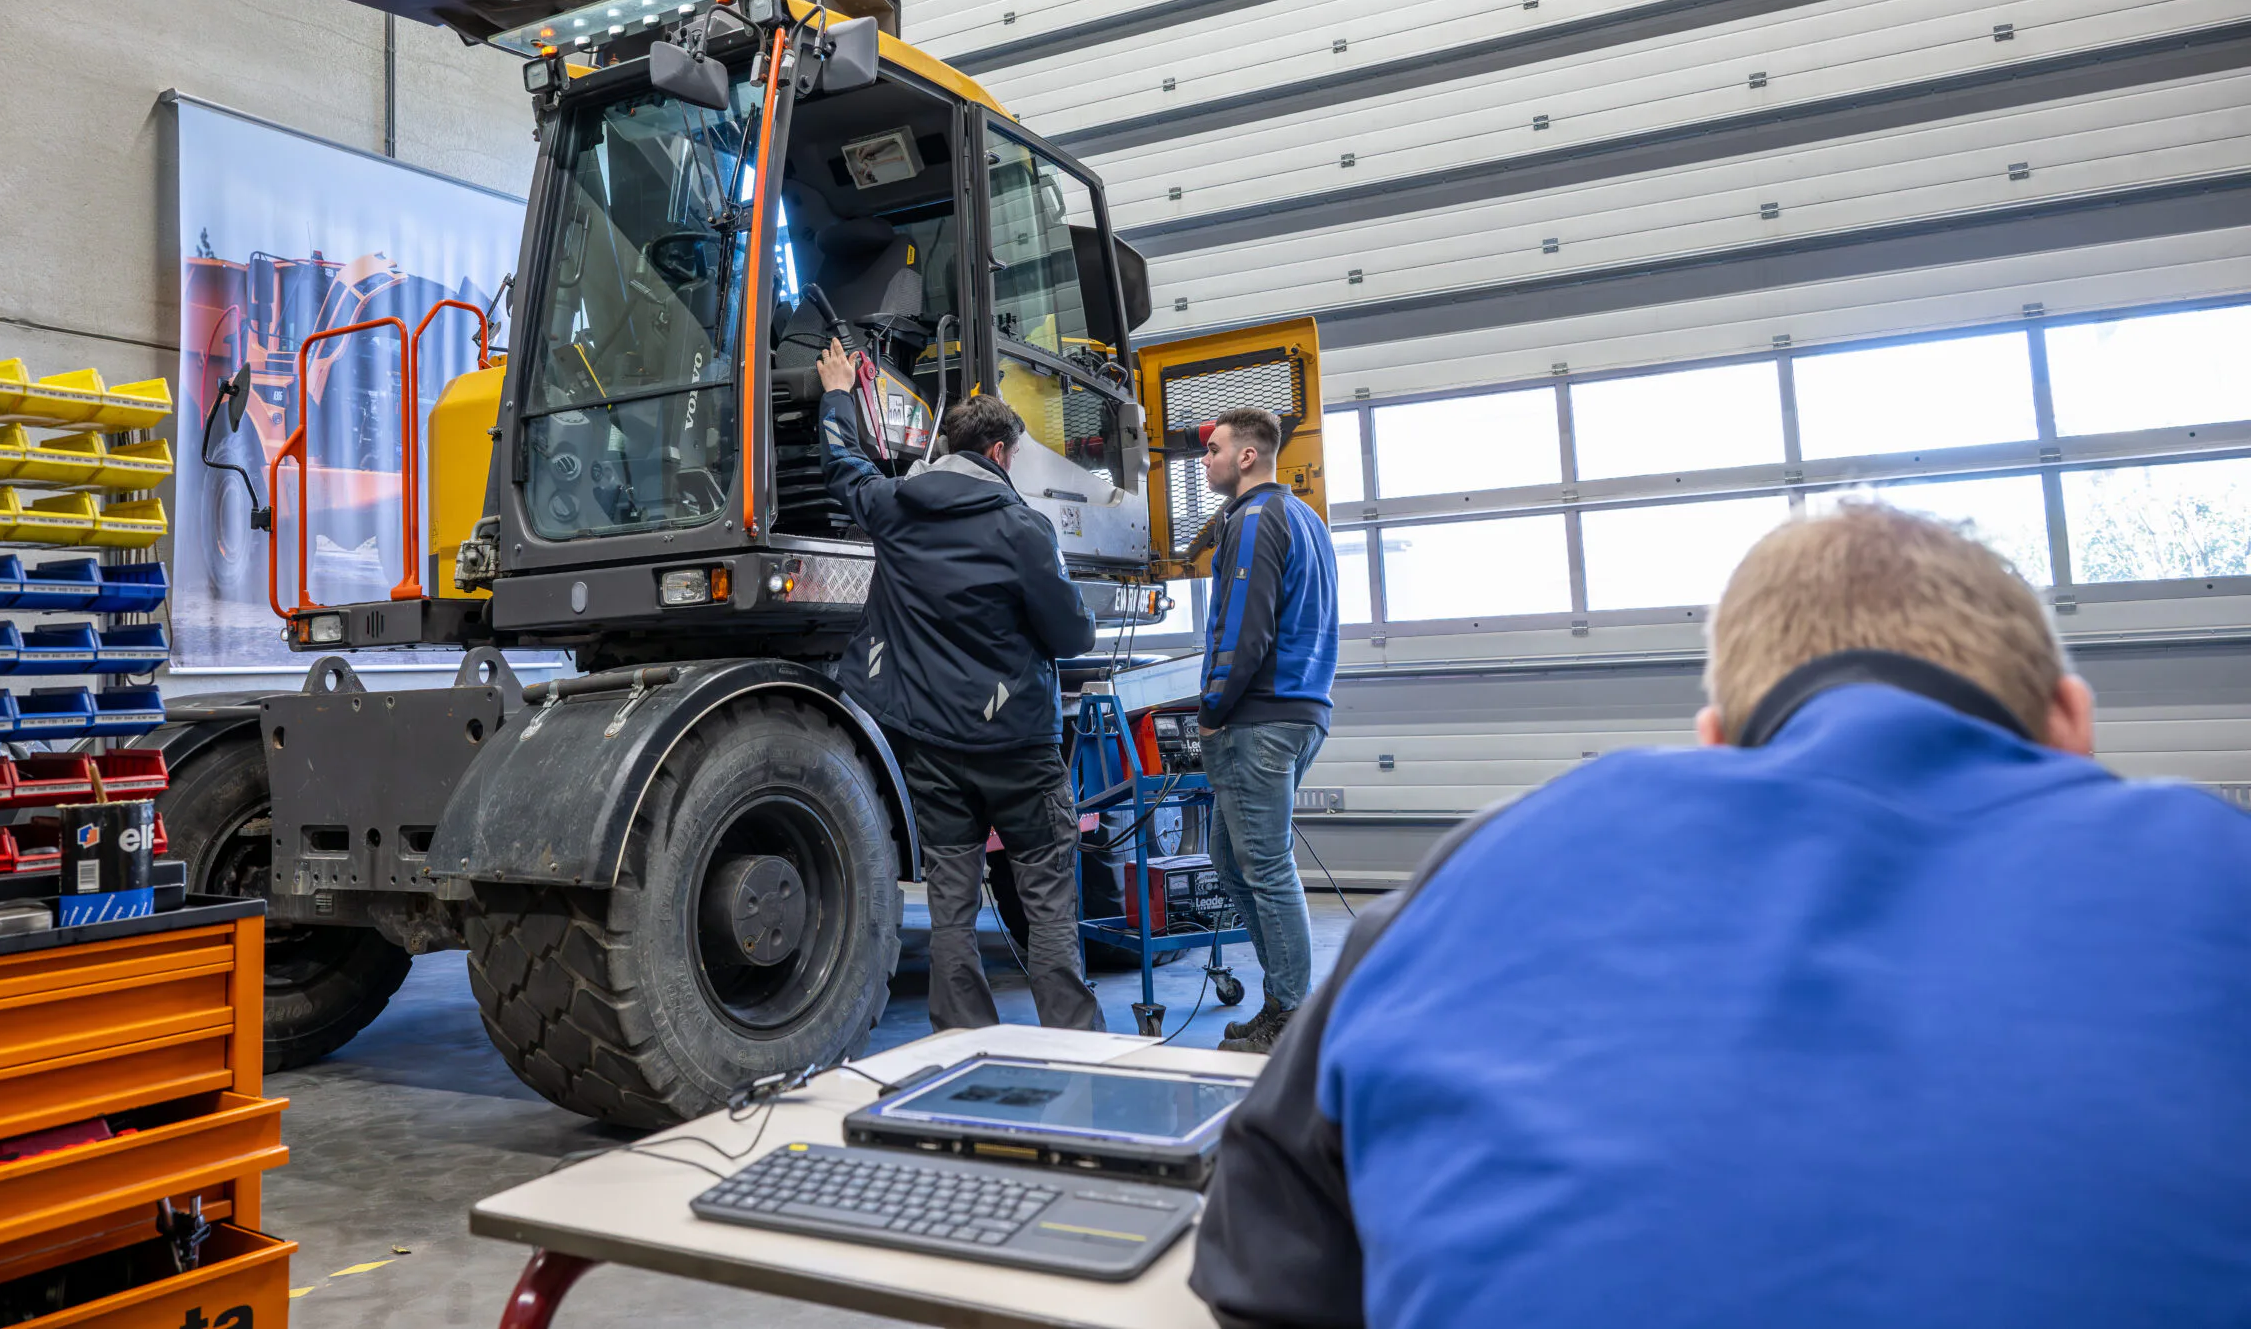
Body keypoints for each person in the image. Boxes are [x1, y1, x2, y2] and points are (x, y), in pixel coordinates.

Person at [1190, 502, 2251, 1329]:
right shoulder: (2218, 870)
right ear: (2072, 723)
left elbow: (1258, 1257)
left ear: (1716, 742)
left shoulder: (1496, 861)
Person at [816, 337, 1103, 1034]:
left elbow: (843, 468)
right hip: (1020, 751)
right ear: (1001, 453)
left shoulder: (895, 507)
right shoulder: (1022, 529)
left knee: (951, 906)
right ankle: (1072, 1043)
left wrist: (837, 391)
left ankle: (959, 1046)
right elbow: (1074, 638)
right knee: (1046, 901)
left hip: (934, 752)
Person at [1195, 406, 1339, 1055]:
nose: (1205, 460)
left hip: (1260, 716)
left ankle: (1291, 1015)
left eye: (1214, 449)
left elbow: (1243, 632)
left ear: (1247, 456)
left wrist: (1212, 706)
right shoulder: (1307, 518)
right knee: (1230, 859)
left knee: (1267, 866)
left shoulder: (1253, 520)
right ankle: (1282, 997)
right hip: (1302, 709)